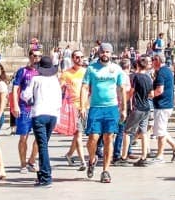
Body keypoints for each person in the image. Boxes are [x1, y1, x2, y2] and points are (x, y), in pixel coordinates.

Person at [80, 42, 127, 183]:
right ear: (98, 53)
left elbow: (122, 89)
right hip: (95, 108)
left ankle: (106, 170)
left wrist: (123, 108)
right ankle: (92, 158)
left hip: (111, 108)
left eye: (107, 52)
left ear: (111, 53)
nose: (105, 54)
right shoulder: (91, 69)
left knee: (108, 139)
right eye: (103, 52)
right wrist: (83, 106)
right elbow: (84, 87)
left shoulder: (116, 69)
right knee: (92, 138)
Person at [22, 55, 62, 187]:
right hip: (53, 116)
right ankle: (42, 173)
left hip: (39, 114)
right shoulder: (55, 80)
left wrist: (28, 99)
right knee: (43, 145)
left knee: (42, 146)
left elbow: (25, 95)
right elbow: (59, 100)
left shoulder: (36, 79)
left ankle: (46, 176)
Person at [120, 55, 153, 165]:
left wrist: (124, 101)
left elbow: (131, 91)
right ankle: (143, 157)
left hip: (137, 107)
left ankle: (124, 157)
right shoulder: (149, 77)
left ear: (137, 65)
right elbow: (151, 94)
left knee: (127, 132)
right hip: (146, 107)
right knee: (143, 132)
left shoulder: (135, 77)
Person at [12, 48, 41, 172]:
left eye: (39, 56)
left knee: (40, 138)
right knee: (23, 137)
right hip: (24, 108)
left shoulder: (42, 72)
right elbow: (15, 89)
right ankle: (23, 163)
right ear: (29, 56)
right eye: (34, 56)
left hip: (39, 108)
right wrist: (15, 105)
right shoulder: (22, 71)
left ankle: (32, 160)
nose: (36, 58)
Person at [59, 49, 87, 170]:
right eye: (77, 57)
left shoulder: (86, 72)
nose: (79, 59)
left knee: (77, 134)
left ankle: (69, 154)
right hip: (73, 108)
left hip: (85, 107)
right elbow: (59, 89)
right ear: (72, 59)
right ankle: (83, 162)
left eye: (81, 57)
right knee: (79, 134)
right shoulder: (66, 74)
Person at [151, 54, 175, 162]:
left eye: (153, 59)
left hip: (162, 105)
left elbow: (159, 90)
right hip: (166, 104)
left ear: (158, 60)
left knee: (160, 132)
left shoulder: (161, 73)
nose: (152, 62)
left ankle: (160, 156)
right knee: (161, 129)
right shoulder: (167, 70)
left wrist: (149, 95)